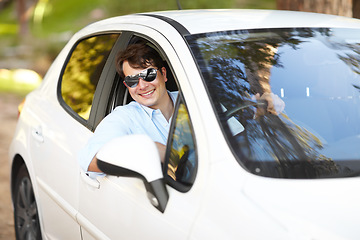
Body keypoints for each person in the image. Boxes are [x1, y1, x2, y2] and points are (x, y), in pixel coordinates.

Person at [78, 41, 178, 177]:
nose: (142, 86)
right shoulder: (124, 117)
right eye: (132, 81)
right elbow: (89, 160)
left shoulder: (193, 100)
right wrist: (151, 149)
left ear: (164, 74)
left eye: (148, 75)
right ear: (127, 85)